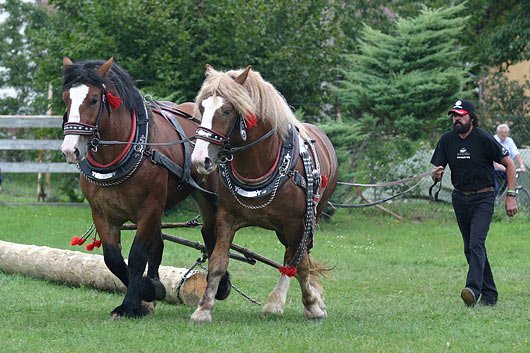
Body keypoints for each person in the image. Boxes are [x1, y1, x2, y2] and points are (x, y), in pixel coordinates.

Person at [430, 99, 518, 307]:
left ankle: (472, 289)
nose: (456, 119)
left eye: (460, 115)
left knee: (476, 243)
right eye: (454, 115)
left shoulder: (484, 138)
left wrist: (511, 195)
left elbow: (509, 164)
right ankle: (490, 295)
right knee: (470, 248)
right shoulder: (447, 140)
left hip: (483, 197)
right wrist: (436, 174)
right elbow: (437, 169)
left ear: (471, 117)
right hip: (460, 198)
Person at [492, 124, 526, 194]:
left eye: (505, 133)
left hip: (505, 169)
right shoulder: (493, 140)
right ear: (498, 133)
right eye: (502, 133)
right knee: (496, 187)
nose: (504, 135)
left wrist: (521, 165)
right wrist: (501, 167)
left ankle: (501, 195)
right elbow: (492, 157)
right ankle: (495, 200)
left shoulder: (509, 141)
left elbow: (516, 154)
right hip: (493, 169)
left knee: (511, 180)